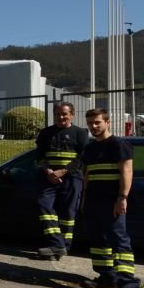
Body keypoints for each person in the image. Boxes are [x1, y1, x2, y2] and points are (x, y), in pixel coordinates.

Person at [79, 108, 139, 288]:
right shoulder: (90, 148)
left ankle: (128, 286)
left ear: (107, 122)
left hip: (112, 201)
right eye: (90, 123)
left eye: (97, 122)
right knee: (98, 241)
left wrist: (122, 197)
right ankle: (106, 277)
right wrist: (84, 200)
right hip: (93, 202)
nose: (93, 126)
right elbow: (87, 176)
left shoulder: (119, 145)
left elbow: (127, 171)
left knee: (119, 240)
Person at [35, 102, 90, 259]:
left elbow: (83, 158)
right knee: (44, 206)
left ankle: (61, 250)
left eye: (64, 114)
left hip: (72, 178)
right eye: (58, 114)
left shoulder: (80, 133)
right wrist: (49, 171)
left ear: (72, 115)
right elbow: (39, 156)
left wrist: (63, 171)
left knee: (68, 213)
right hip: (49, 178)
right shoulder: (46, 133)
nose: (61, 117)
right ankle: (57, 245)